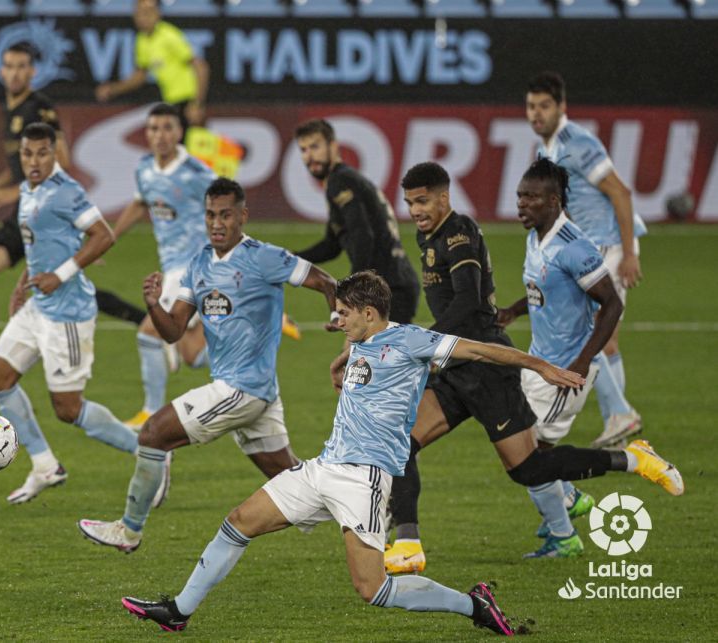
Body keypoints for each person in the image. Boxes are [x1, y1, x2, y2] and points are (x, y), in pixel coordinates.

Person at [117, 270, 594, 635]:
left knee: (373, 589)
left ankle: (474, 605)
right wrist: (343, 359)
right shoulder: (359, 340)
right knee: (240, 520)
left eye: (344, 313)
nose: (335, 319)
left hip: (364, 480)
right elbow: (358, 361)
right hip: (322, 468)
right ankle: (179, 611)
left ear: (370, 313)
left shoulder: (411, 341)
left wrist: (541, 365)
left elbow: (484, 350)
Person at [377, 161, 683, 567]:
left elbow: (468, 302)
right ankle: (407, 545)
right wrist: (510, 311)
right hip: (460, 363)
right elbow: (523, 292)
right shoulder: (448, 235)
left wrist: (418, 343)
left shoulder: (460, 236)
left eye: (422, 201)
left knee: (529, 467)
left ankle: (628, 463)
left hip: (490, 366)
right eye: (410, 202)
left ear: (444, 197)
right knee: (399, 441)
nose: (415, 209)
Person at [76, 178, 338, 552]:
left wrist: (334, 311)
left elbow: (326, 280)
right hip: (253, 394)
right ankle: (360, 509)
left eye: (226, 215)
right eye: (211, 215)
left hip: (241, 389)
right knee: (290, 478)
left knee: (152, 435)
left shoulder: (264, 257)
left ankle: (129, 531)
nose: (217, 223)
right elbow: (173, 332)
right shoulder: (198, 264)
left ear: (242, 216)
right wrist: (153, 305)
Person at [0, 42, 143, 385]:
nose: (14, 72)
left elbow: (61, 161)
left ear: (33, 71)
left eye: (21, 66)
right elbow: (18, 166)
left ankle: (147, 321)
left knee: (64, 288)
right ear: (1, 70)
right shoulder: (10, 109)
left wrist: (9, 192)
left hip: (42, 212)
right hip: (23, 213)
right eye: (9, 66)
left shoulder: (38, 109)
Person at [497, 158, 684, 551]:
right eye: (519, 196)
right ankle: (563, 516)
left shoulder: (575, 247)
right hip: (539, 363)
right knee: (529, 457)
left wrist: (582, 361)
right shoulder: (536, 237)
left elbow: (612, 304)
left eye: (530, 197)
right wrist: (515, 310)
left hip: (565, 371)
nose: (521, 204)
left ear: (554, 200)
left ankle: (613, 474)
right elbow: (546, 291)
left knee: (528, 460)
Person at [0, 123, 139, 504]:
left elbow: (104, 235)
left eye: (41, 153)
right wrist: (24, 281)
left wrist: (61, 274)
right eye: (27, 154)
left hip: (67, 314)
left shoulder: (67, 191)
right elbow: (39, 242)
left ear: (54, 154)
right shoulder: (27, 189)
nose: (34, 161)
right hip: (38, 306)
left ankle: (148, 450)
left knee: (68, 410)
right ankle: (44, 465)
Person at [526, 71, 647, 448]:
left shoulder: (577, 143)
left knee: (590, 330)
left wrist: (629, 253)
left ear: (561, 107)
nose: (536, 113)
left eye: (544, 105)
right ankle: (618, 421)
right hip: (585, 251)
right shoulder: (545, 151)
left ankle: (620, 415)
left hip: (608, 248)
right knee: (607, 342)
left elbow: (621, 193)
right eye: (531, 106)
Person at [110, 103, 214, 429]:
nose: (160, 135)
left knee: (149, 332)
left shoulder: (197, 174)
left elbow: (230, 205)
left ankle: (150, 413)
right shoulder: (144, 168)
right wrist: (109, 238)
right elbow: (140, 203)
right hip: (171, 267)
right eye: (154, 129)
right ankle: (251, 331)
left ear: (179, 132)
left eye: (167, 128)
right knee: (193, 355)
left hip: (195, 266)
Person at [293, 118, 420, 326]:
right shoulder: (342, 180)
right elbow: (332, 245)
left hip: (388, 288)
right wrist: (293, 258)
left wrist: (351, 293)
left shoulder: (340, 181)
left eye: (315, 146)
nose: (309, 156)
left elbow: (363, 236)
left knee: (369, 355)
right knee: (360, 355)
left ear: (333, 146)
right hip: (391, 284)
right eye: (304, 150)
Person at [94, 0, 209, 131]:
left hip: (188, 101)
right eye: (139, 13)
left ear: (157, 14)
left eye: (147, 13)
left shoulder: (169, 36)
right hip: (172, 103)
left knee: (194, 148)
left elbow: (201, 67)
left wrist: (197, 104)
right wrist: (113, 89)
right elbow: (140, 76)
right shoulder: (142, 41)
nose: (143, 18)